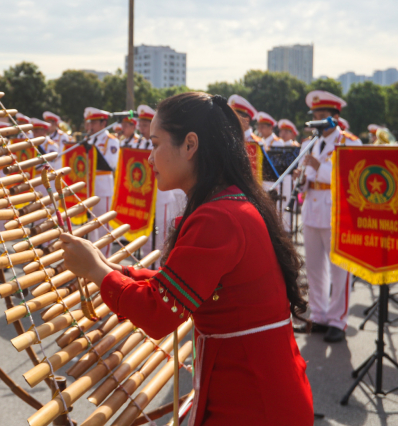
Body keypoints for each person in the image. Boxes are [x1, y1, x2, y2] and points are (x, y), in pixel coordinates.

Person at [59, 92, 314, 426]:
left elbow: (158, 312)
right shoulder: (229, 202)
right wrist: (110, 268)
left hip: (253, 402)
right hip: (255, 389)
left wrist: (94, 270)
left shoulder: (218, 217)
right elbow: (179, 282)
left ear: (190, 145)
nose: (148, 159)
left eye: (155, 144)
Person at [295, 90, 361, 342]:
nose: (317, 121)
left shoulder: (349, 142)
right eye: (315, 116)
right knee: (314, 269)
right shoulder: (308, 143)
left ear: (334, 117)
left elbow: (349, 178)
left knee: (339, 270)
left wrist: (317, 166)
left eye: (322, 116)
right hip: (311, 211)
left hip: (337, 212)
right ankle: (320, 316)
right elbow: (304, 181)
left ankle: (337, 320)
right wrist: (299, 180)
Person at [131, 104, 184, 261]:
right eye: (140, 125)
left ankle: (160, 268)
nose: (142, 128)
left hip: (161, 193)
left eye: (145, 125)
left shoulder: (164, 143)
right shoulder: (138, 144)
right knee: (145, 235)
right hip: (143, 194)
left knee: (162, 235)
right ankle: (146, 266)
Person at [83, 108, 119, 245]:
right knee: (91, 225)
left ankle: (106, 258)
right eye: (89, 123)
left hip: (103, 187)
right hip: (89, 186)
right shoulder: (88, 140)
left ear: (103, 123)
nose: (90, 126)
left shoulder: (111, 140)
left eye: (94, 123)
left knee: (104, 225)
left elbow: (111, 163)